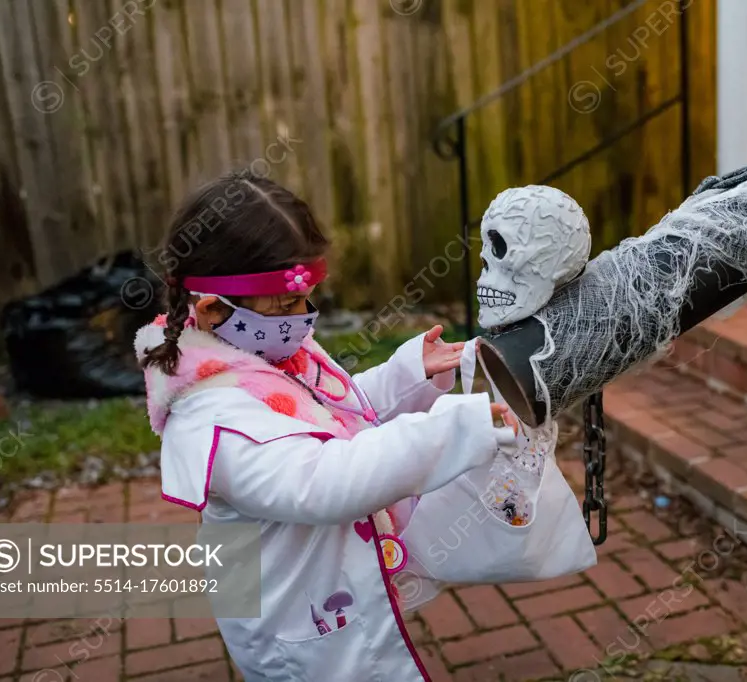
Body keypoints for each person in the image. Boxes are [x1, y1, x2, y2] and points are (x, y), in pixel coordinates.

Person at [134, 171, 521, 681]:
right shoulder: (213, 419)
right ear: (210, 310)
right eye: (288, 305)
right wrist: (451, 428)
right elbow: (325, 482)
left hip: (323, 594)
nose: (305, 318)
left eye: (307, 299)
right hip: (293, 637)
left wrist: (407, 376)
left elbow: (331, 415)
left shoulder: (256, 348)